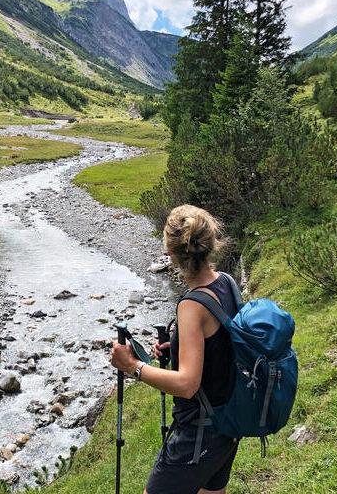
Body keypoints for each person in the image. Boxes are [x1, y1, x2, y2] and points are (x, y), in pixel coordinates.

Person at [111, 204, 239, 494]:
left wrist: (133, 367)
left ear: (170, 254)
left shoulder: (192, 305)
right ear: (210, 243)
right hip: (228, 423)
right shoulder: (227, 283)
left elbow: (187, 385)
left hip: (197, 432)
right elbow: (222, 343)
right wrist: (179, 346)